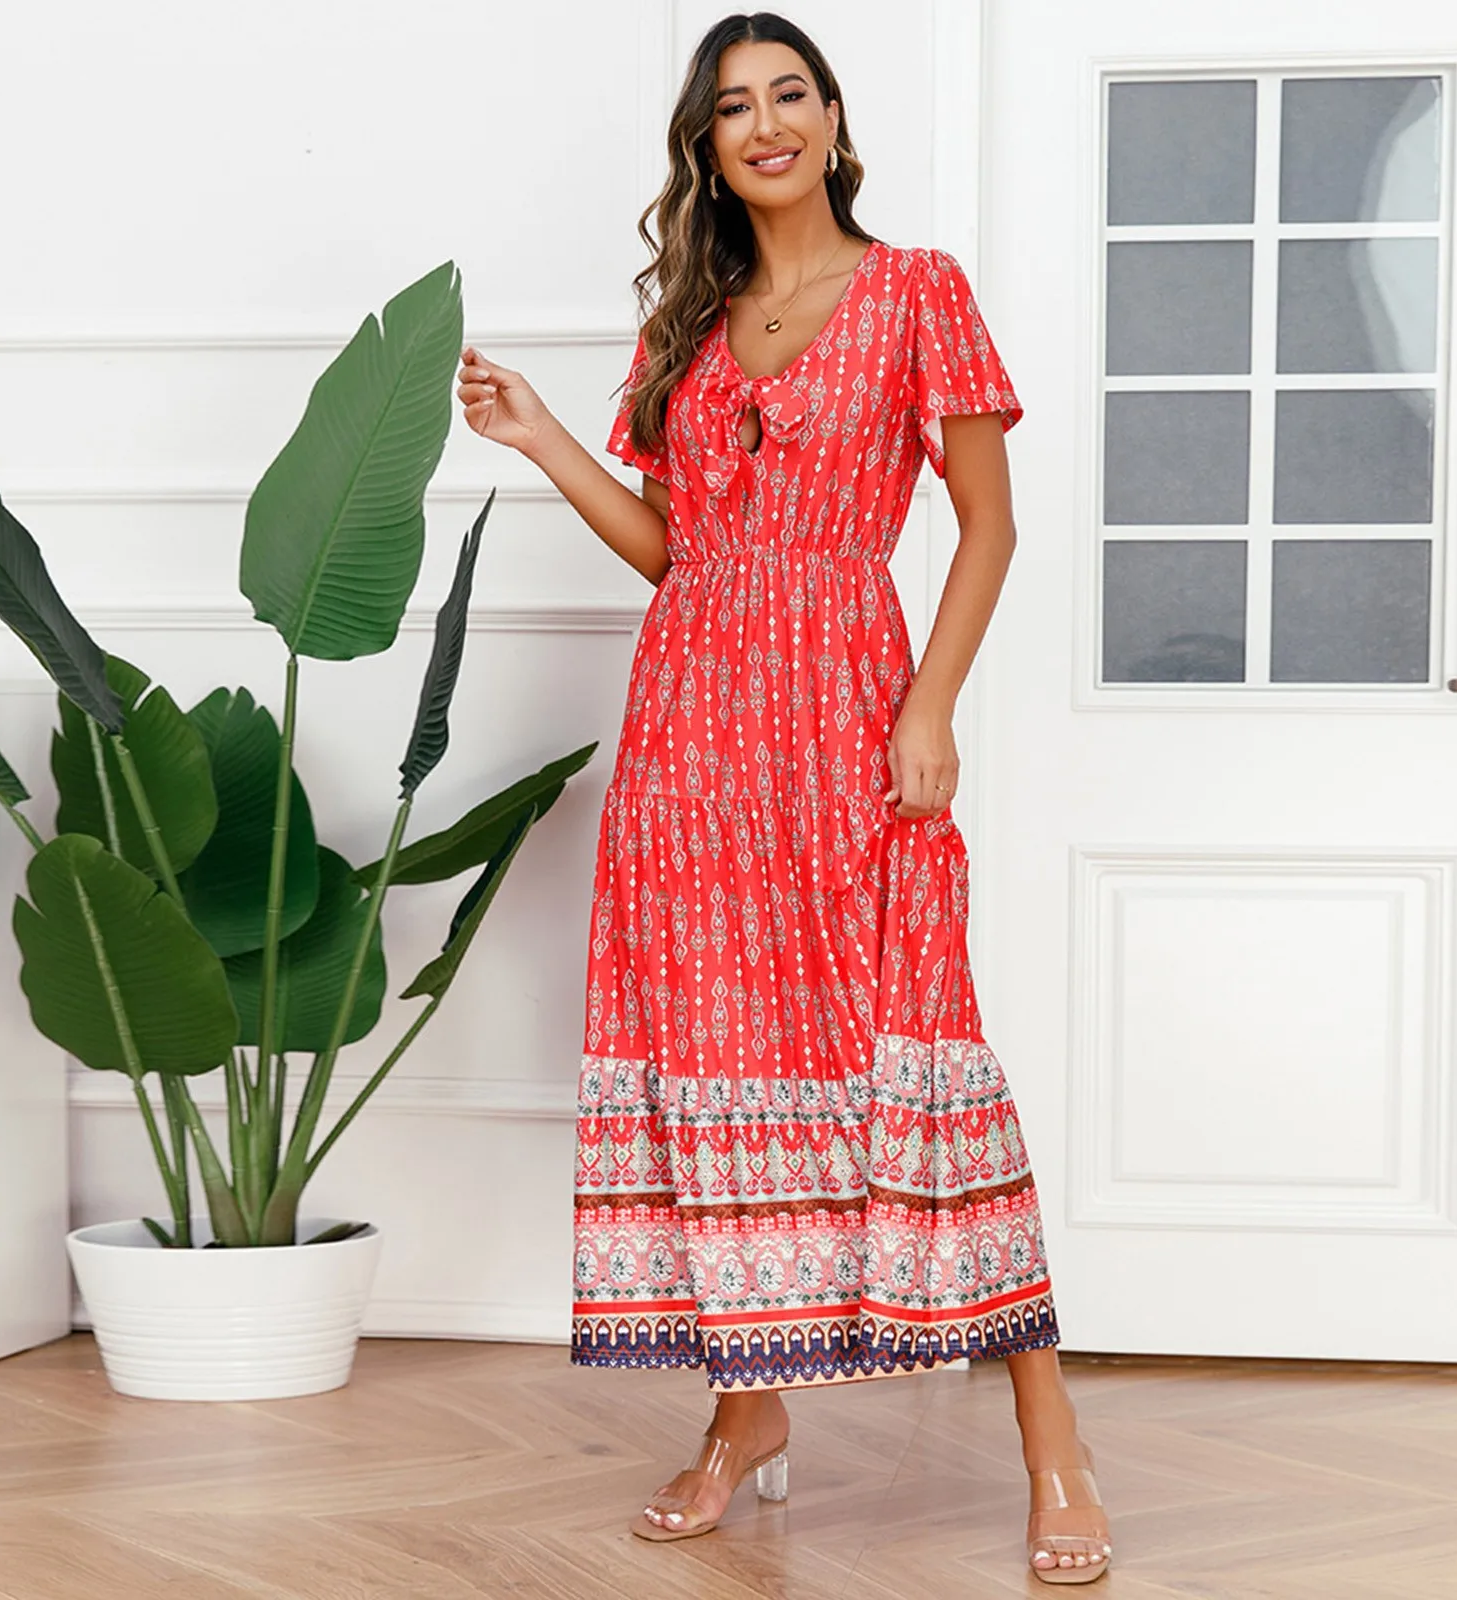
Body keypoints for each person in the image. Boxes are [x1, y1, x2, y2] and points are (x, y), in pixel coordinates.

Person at [456, 10, 1113, 1584]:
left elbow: (989, 526)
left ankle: (1054, 1441)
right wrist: (541, 437)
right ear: (706, 145)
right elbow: (676, 551)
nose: (765, 123)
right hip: (689, 737)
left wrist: (928, 706)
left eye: (790, 94)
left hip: (847, 714)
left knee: (924, 1052)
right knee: (712, 1062)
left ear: (832, 119)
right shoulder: (687, 323)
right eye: (734, 105)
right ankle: (744, 1419)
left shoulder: (916, 290)